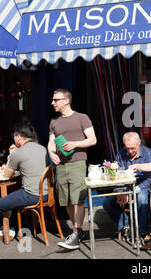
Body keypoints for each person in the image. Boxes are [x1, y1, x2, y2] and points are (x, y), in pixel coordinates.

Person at [48, 88, 97, 250]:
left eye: (56, 100)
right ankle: (79, 231)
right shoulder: (54, 122)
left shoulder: (82, 118)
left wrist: (75, 144)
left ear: (66, 100)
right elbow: (51, 142)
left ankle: (75, 232)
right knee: (66, 199)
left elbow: (92, 140)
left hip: (77, 162)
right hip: (61, 165)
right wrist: (51, 152)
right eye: (53, 100)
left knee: (77, 198)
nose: (52, 103)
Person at [102, 132, 151, 242]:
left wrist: (130, 192)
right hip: (126, 185)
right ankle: (126, 226)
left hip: (142, 185)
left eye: (132, 148)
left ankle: (141, 231)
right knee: (107, 202)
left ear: (139, 142)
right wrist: (120, 190)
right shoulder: (121, 153)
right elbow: (118, 175)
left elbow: (149, 179)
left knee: (141, 198)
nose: (129, 151)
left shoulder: (148, 153)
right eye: (127, 148)